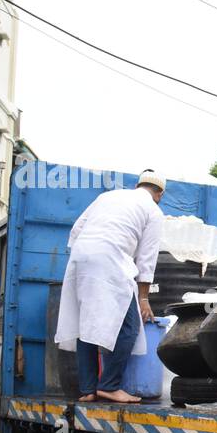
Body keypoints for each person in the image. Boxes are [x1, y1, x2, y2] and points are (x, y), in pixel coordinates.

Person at [54, 169, 166, 404]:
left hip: (80, 256)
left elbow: (76, 230)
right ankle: (109, 385)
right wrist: (144, 300)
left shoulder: (108, 197)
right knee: (129, 327)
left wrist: (86, 255)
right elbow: (146, 259)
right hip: (110, 259)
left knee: (85, 323)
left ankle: (87, 389)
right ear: (159, 194)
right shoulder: (153, 211)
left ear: (138, 185)